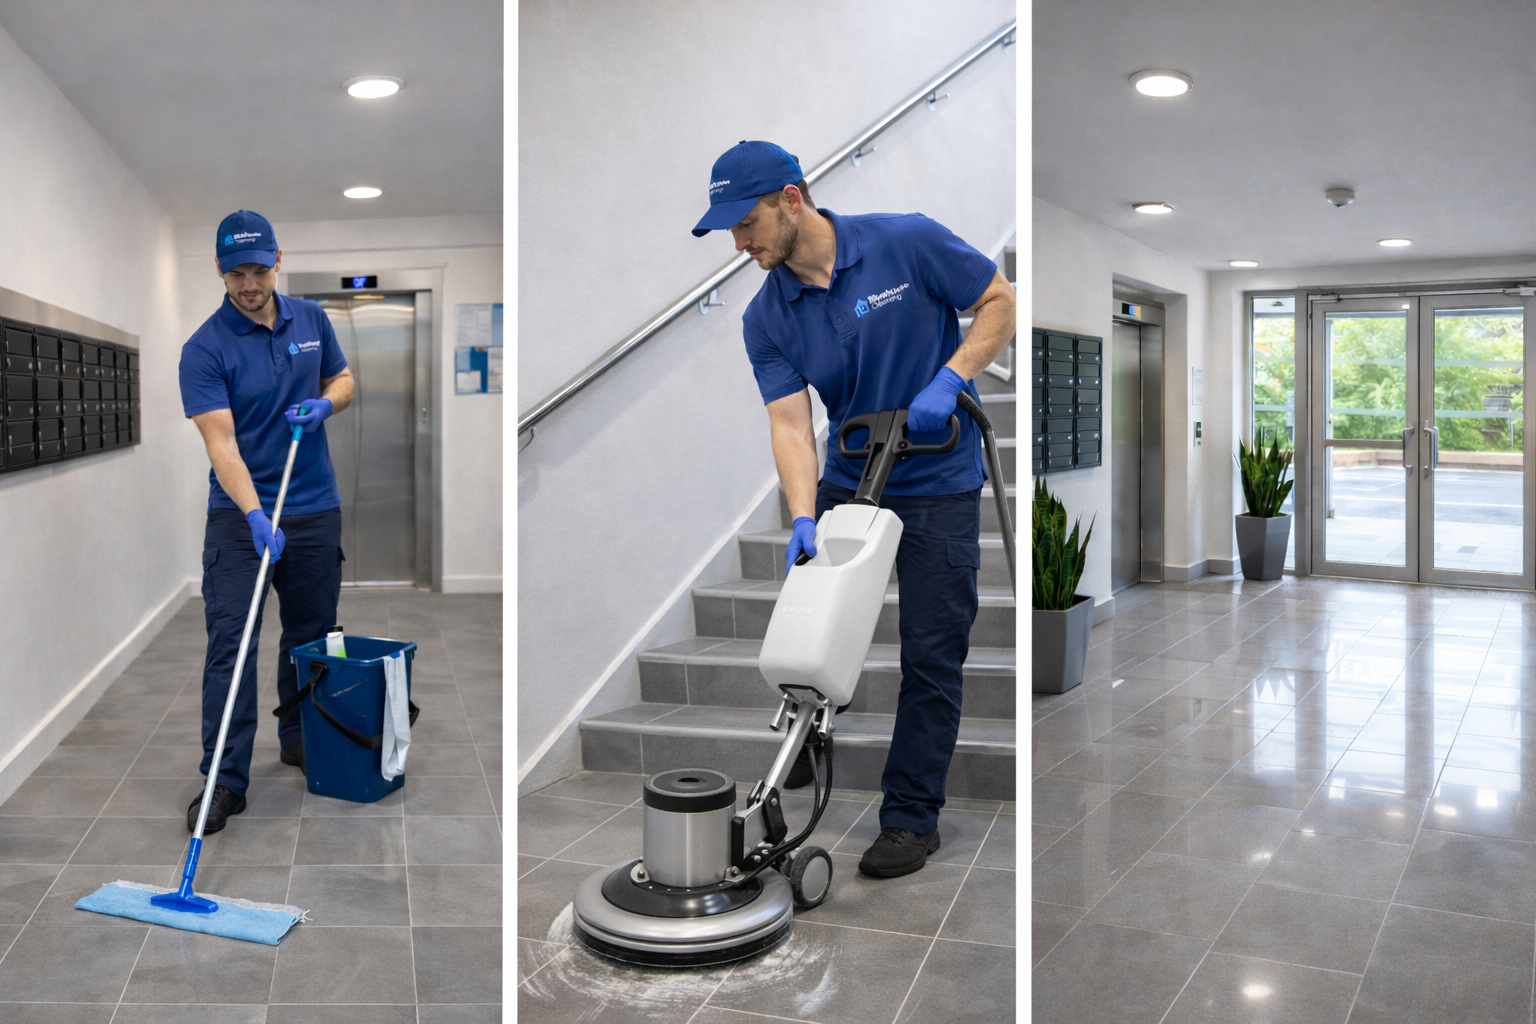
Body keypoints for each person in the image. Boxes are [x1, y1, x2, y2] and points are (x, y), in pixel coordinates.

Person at [693, 141, 1016, 878]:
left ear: (792, 199)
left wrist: (952, 376)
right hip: (849, 479)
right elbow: (787, 422)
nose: (739, 244)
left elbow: (1000, 302)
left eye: (746, 224)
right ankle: (802, 745)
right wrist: (803, 515)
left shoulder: (905, 239)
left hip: (939, 479)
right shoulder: (766, 318)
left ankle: (910, 818)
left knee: (932, 651)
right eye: (731, 233)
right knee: (815, 631)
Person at [177, 210, 354, 833]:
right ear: (220, 272)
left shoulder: (311, 318)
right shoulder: (203, 348)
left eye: (258, 270)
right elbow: (222, 447)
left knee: (311, 636)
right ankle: (223, 780)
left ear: (278, 260)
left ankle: (300, 737)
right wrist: (253, 514)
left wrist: (325, 403)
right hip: (239, 518)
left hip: (315, 508)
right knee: (232, 645)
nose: (248, 285)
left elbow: (344, 378)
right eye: (235, 274)